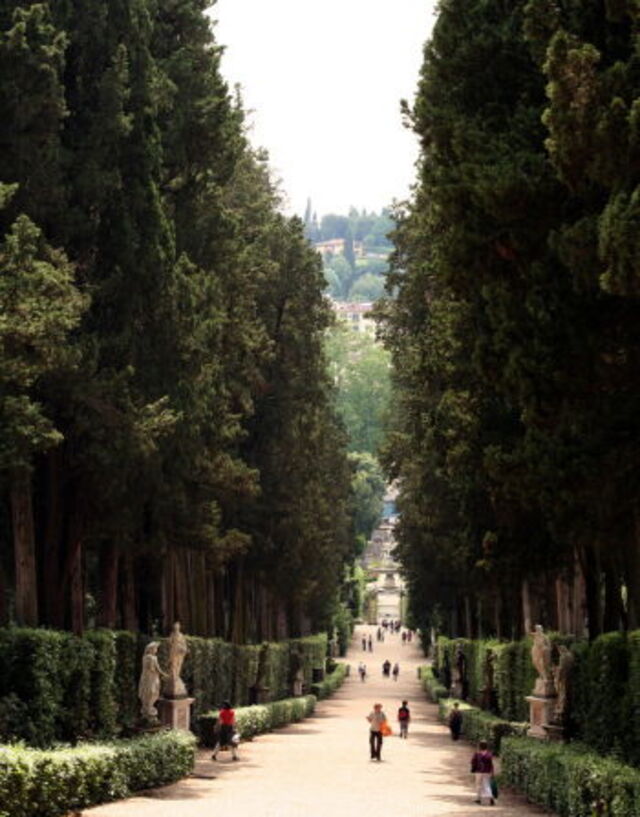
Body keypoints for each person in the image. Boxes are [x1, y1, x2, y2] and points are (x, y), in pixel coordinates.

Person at [470, 740, 494, 805]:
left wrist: (473, 768)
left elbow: (472, 762)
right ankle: (491, 798)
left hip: (479, 771)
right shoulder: (489, 754)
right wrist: (492, 772)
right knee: (487, 785)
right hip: (487, 771)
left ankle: (478, 799)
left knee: (478, 785)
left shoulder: (477, 754)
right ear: (487, 746)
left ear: (479, 746)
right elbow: (491, 764)